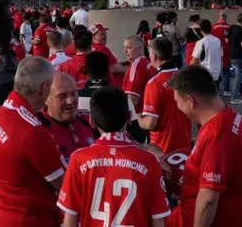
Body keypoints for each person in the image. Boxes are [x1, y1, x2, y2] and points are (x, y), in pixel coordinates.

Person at [57, 87, 170, 227]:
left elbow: (70, 219)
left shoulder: (78, 159)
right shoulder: (149, 160)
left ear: (92, 121)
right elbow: (158, 220)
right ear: (129, 118)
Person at [171, 65, 242, 227]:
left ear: (190, 101)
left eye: (177, 102)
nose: (177, 108)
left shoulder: (217, 133)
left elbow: (209, 198)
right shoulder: (230, 117)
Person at [0, 56, 66, 226]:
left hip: (2, 216)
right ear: (44, 88)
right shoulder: (32, 130)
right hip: (30, 220)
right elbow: (65, 185)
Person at [140, 37, 191, 154]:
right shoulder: (186, 77)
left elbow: (150, 123)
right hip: (185, 147)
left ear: (154, 56)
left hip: (163, 150)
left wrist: (137, 118)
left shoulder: (154, 83)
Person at [38, 72, 96, 163]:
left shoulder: (90, 121)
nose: (70, 101)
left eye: (73, 94)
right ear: (46, 99)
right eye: (62, 96)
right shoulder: (37, 129)